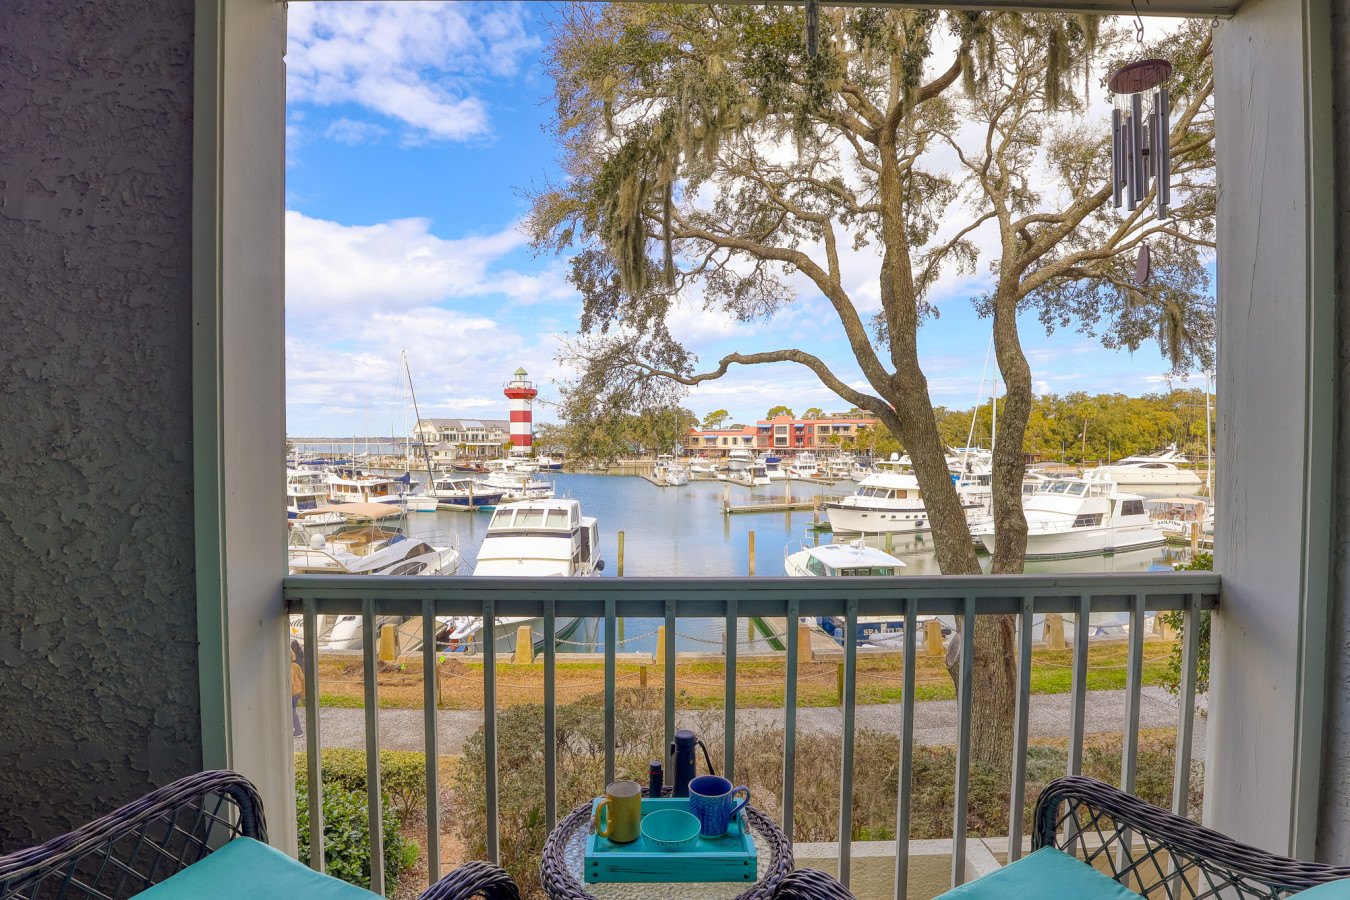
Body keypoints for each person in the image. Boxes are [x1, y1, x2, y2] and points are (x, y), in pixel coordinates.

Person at [290, 640, 305, 738]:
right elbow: (302, 679)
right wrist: (303, 692)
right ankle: (297, 730)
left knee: (292, 712)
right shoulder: (296, 666)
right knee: (292, 711)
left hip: (292, 693)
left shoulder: (288, 667)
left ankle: (298, 730)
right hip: (297, 692)